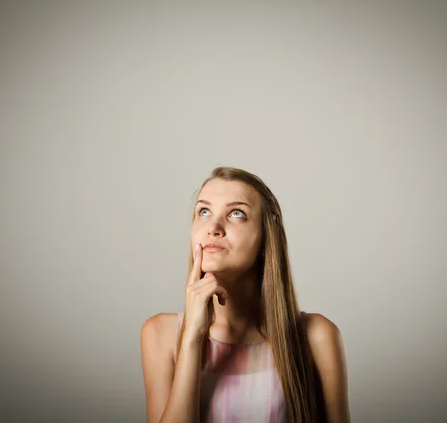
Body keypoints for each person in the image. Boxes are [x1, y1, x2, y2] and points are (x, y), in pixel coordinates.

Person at [141, 167, 350, 422]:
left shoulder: (317, 336)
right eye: (203, 211)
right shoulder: (159, 334)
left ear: (264, 241)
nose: (214, 228)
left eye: (236, 214)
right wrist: (193, 338)